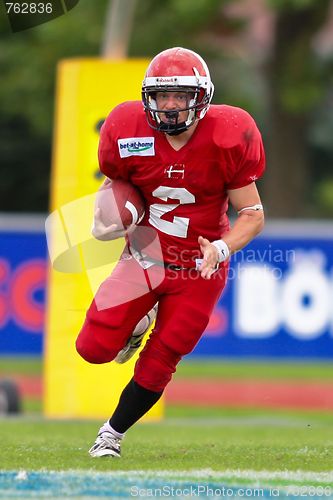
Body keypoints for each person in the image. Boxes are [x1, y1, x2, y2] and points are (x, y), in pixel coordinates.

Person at [76, 47, 265, 458]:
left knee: (166, 353)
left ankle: (111, 434)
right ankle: (139, 319)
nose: (171, 105)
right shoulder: (126, 128)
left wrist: (221, 246)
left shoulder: (229, 133)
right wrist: (108, 214)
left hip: (200, 264)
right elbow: (115, 185)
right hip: (145, 255)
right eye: (163, 96)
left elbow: (252, 213)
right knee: (91, 349)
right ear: (149, 98)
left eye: (180, 95)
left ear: (201, 97)